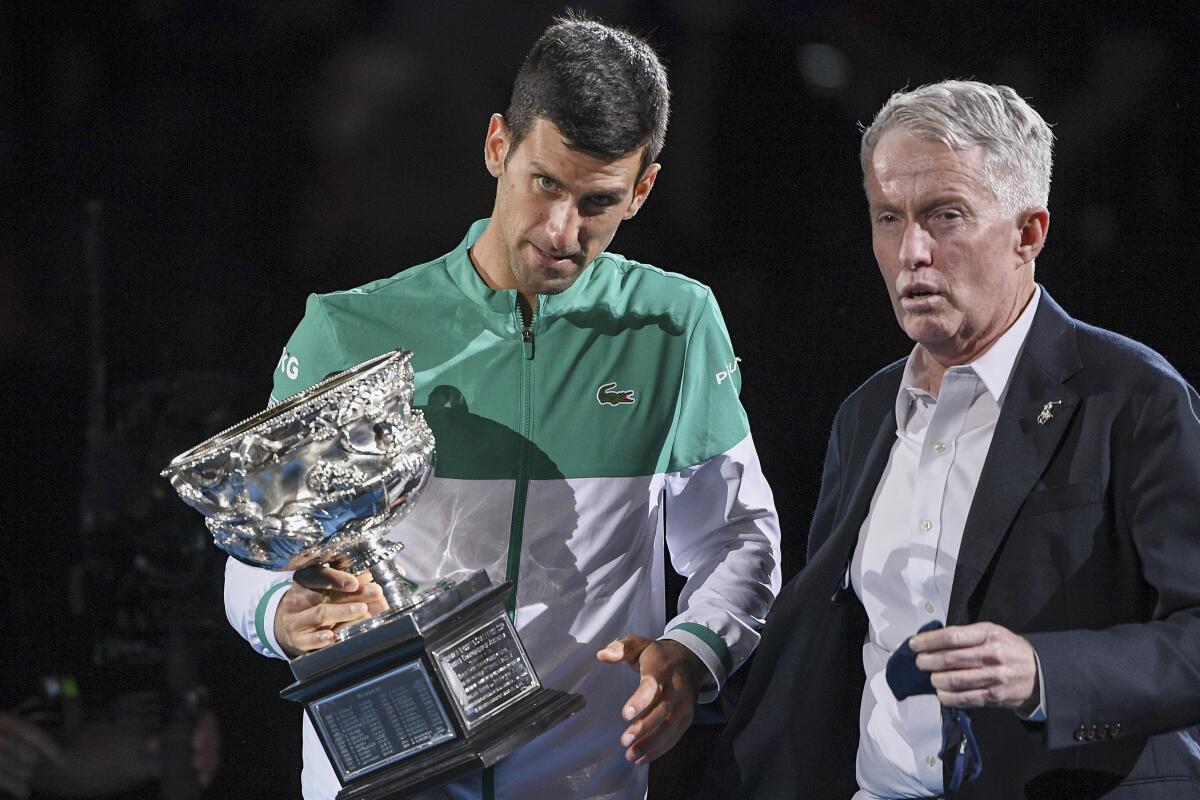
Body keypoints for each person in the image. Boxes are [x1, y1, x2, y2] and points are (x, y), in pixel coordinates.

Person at [223, 14, 781, 800]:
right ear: (498, 147)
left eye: (597, 201)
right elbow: (256, 555)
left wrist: (693, 652)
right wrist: (280, 613)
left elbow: (736, 538)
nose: (561, 230)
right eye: (544, 183)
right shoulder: (347, 328)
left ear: (643, 189)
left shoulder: (676, 326)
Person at [701, 80, 1200, 799]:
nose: (911, 252)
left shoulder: (1134, 399)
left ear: (1029, 233)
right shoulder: (865, 414)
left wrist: (1042, 673)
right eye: (888, 218)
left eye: (945, 216)